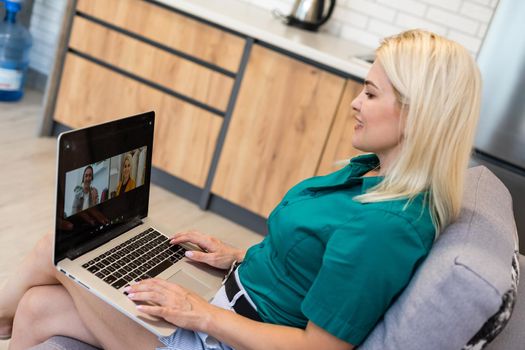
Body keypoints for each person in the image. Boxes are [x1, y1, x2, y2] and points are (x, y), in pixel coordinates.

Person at [0, 29, 481, 349]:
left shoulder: (387, 225)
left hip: (225, 337)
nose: (355, 103)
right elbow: (310, 262)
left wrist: (197, 315)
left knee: (62, 251)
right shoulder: (369, 173)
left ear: (421, 114)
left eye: (372, 94)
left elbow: (319, 347)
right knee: (39, 305)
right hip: (230, 296)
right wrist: (237, 257)